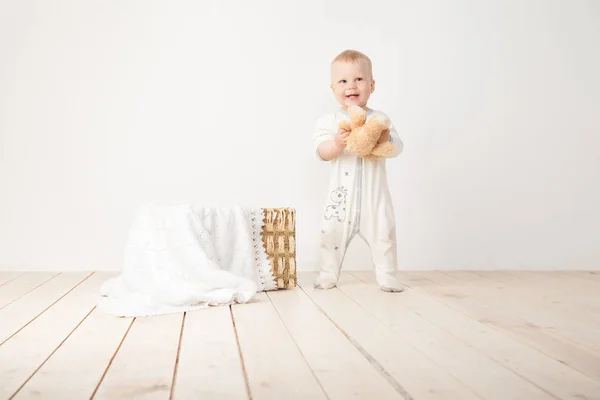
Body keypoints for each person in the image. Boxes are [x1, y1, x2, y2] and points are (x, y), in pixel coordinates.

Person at [313, 49, 404, 292]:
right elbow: (322, 152)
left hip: (375, 198)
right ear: (333, 89)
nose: (351, 86)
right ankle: (327, 274)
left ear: (372, 85)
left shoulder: (380, 120)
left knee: (384, 235)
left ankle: (387, 276)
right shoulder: (330, 122)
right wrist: (336, 143)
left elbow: (396, 148)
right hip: (340, 198)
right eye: (343, 81)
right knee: (330, 235)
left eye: (359, 79)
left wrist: (384, 139)